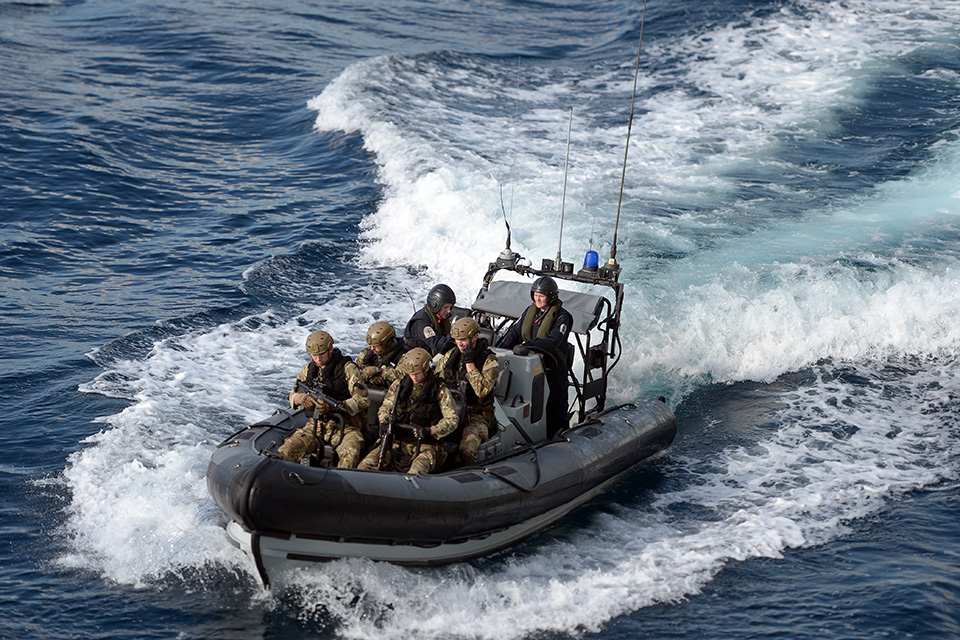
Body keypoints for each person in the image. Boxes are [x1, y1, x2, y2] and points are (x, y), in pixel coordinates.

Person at [358, 347, 459, 475]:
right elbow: (385, 407)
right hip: (395, 441)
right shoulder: (399, 385)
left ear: (426, 369)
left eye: (417, 373)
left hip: (425, 445)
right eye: (411, 374)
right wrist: (383, 421)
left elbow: (452, 420)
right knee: (364, 466)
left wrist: (431, 431)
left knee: (414, 474)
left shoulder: (439, 390)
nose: (414, 377)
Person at [278, 330, 369, 468]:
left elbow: (363, 400)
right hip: (315, 426)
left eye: (321, 354)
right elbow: (292, 395)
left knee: (350, 453)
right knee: (287, 451)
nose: (318, 359)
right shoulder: (309, 369)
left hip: (344, 427)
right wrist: (301, 398)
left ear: (330, 349)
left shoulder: (347, 369)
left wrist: (336, 406)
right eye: (314, 355)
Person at [498, 275, 573, 437]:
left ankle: (561, 436)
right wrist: (499, 350)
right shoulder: (530, 312)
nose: (537, 299)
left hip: (552, 366)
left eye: (541, 296)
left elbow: (553, 341)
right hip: (526, 364)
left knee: (556, 405)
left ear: (551, 296)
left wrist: (527, 346)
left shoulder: (562, 317)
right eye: (535, 295)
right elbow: (515, 332)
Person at [436, 317, 498, 466]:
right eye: (457, 339)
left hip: (476, 416)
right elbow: (437, 379)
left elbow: (481, 391)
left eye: (463, 339)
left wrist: (470, 364)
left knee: (466, 449)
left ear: (474, 337)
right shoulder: (451, 356)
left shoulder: (489, 361)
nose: (459, 343)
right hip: (450, 409)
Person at [403, 283, 456, 356]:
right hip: (414, 358)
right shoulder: (422, 322)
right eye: (445, 307)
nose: (449, 311)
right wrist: (455, 336)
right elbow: (437, 345)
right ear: (435, 305)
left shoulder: (440, 315)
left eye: (450, 307)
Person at [354, 320, 406, 388]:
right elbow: (354, 367)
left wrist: (380, 372)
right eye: (371, 345)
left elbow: (404, 377)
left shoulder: (404, 356)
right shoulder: (370, 352)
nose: (372, 348)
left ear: (387, 343)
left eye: (376, 346)